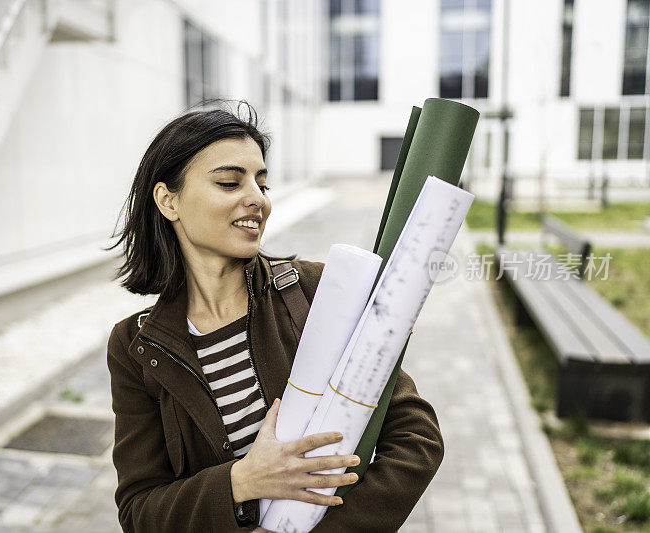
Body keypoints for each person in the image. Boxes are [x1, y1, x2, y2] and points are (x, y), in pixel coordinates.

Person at [105, 102, 444, 532]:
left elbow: (417, 440)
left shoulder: (321, 292)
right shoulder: (135, 347)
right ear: (168, 200)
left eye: (262, 184)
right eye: (230, 182)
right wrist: (240, 481)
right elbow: (140, 511)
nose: (257, 200)